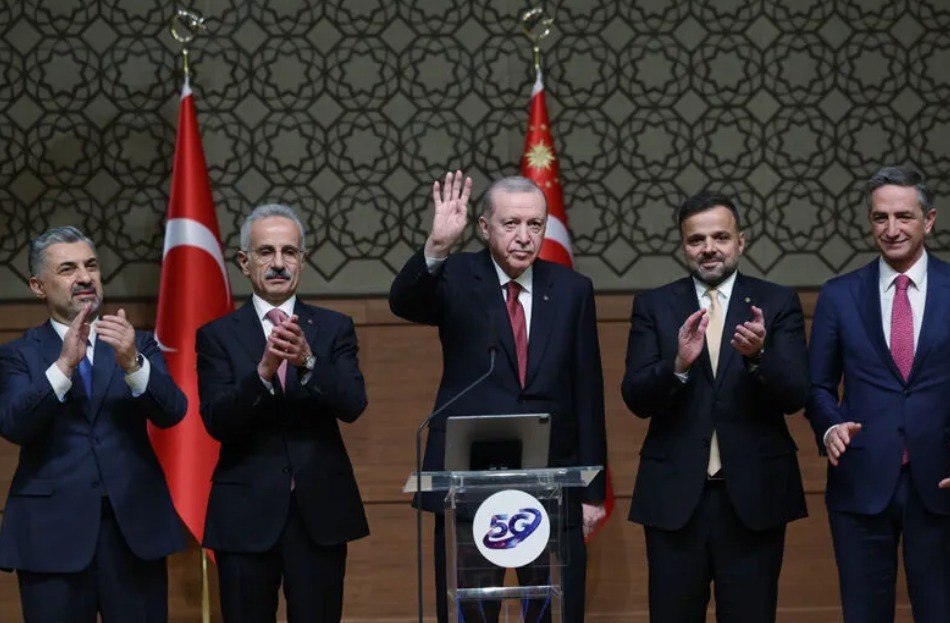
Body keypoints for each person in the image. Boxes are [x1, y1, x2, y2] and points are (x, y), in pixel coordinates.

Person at [389, 171, 608, 622]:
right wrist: (437, 246)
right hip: (468, 485)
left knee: (553, 609)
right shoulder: (455, 276)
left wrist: (592, 494)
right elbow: (404, 302)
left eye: (535, 224)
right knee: (472, 609)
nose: (525, 237)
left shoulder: (572, 290)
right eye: (511, 224)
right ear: (485, 228)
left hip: (553, 482)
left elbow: (587, 391)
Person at [807, 166, 950, 623]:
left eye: (904, 216)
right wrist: (829, 427)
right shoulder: (839, 294)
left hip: (943, 478)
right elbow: (818, 386)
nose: (891, 229)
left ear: (929, 220)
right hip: (860, 480)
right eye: (880, 217)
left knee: (941, 612)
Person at [621, 191, 809, 623]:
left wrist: (759, 357)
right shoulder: (654, 305)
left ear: (741, 241)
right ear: (683, 246)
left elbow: (797, 394)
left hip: (754, 498)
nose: (709, 248)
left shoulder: (777, 302)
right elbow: (635, 397)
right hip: (674, 498)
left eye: (720, 237)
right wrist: (677, 366)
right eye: (696, 239)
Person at [0, 226, 187, 622]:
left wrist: (133, 364)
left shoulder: (137, 343)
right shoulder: (18, 355)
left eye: (91, 266)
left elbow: (172, 411)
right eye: (68, 269)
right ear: (37, 286)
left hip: (134, 532)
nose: (85, 277)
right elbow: (14, 424)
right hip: (51, 536)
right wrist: (63, 366)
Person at [196, 204, 370, 623]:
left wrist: (309, 362)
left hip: (319, 513)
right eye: (266, 252)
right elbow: (217, 420)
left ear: (302, 261)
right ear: (244, 262)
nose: (278, 263)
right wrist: (262, 374)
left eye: (289, 252)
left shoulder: (334, 327)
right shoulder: (217, 336)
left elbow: (353, 404)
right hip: (244, 514)